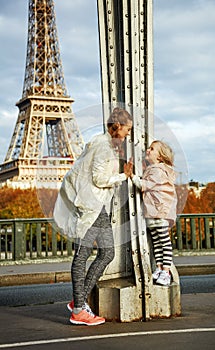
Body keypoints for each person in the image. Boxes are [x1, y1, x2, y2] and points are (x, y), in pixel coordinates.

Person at [53, 107, 133, 325]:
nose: (128, 133)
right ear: (117, 126)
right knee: (83, 254)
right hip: (91, 204)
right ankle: (79, 309)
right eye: (127, 129)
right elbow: (98, 178)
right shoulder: (102, 146)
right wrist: (122, 176)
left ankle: (77, 301)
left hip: (98, 206)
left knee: (107, 253)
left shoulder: (104, 144)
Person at [124, 140, 177, 286]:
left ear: (160, 157)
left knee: (163, 243)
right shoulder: (153, 169)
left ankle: (165, 271)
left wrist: (132, 176)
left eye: (152, 149)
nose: (148, 150)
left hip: (159, 213)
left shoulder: (158, 170)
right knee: (157, 243)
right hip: (153, 213)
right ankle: (160, 268)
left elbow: (144, 185)